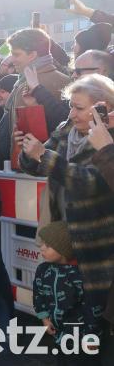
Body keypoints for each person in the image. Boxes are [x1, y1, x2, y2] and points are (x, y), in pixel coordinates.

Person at [17, 74, 114, 311]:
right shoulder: (66, 128)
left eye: (79, 108)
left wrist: (44, 156)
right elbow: (37, 164)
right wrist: (28, 151)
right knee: (63, 301)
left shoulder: (108, 140)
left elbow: (92, 183)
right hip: (62, 232)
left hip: (95, 237)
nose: (71, 114)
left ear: (104, 107)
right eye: (71, 105)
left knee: (93, 310)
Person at [33, 221, 101, 366]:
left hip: (80, 337)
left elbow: (91, 306)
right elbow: (38, 295)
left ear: (63, 250)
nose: (42, 248)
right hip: (59, 335)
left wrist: (90, 334)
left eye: (48, 245)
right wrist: (44, 317)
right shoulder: (43, 270)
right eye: (42, 243)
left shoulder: (80, 275)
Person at [7, 28, 71, 152]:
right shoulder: (67, 80)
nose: (12, 60)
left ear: (32, 55)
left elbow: (23, 138)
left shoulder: (27, 87)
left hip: (33, 163)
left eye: (16, 54)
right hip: (55, 159)